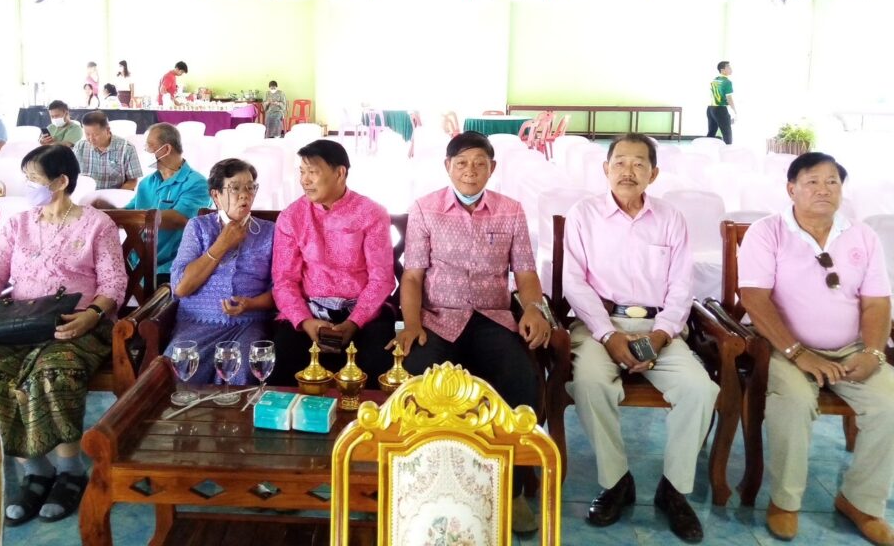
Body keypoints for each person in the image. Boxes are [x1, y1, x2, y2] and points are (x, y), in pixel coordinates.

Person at [392, 130, 551, 534]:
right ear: (447, 166)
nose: (470, 170)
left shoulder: (510, 211)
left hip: (492, 317)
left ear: (492, 168)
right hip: (437, 317)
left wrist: (534, 310)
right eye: (461, 163)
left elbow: (526, 274)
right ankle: (424, 479)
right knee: (417, 374)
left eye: (480, 163)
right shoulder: (425, 209)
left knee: (520, 378)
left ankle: (513, 489)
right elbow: (412, 277)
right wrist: (412, 325)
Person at [563, 133, 717, 544]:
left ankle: (674, 490)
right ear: (605, 168)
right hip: (599, 325)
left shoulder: (671, 218)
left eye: (638, 164)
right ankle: (617, 482)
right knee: (589, 382)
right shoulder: (583, 215)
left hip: (658, 329)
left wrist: (662, 335)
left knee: (699, 389)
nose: (628, 171)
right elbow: (574, 283)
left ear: (654, 172)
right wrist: (608, 335)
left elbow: (681, 286)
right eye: (620, 162)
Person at [0, 144, 127, 527]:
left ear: (61, 181)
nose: (27, 185)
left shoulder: (96, 224)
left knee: (52, 373)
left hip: (75, 324)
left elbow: (113, 283)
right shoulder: (18, 224)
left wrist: (92, 316)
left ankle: (70, 470)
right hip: (21, 323)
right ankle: (35, 470)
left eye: (33, 178)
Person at [739, 152, 894, 544]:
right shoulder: (767, 232)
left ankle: (862, 501)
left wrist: (873, 353)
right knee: (793, 401)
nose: (823, 190)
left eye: (832, 182)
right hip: (784, 349)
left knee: (890, 402)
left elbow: (877, 303)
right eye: (812, 182)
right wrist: (798, 353)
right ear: (791, 189)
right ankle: (785, 501)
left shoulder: (862, 236)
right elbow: (754, 298)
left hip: (850, 348)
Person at [269, 139, 394, 386]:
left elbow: (381, 279)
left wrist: (354, 322)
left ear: (340, 173)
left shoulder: (371, 213)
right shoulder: (292, 216)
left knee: (374, 367)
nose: (305, 180)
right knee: (283, 363)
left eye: (313, 172)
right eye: (302, 172)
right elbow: (284, 281)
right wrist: (306, 322)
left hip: (362, 314)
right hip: (309, 314)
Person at [169, 158, 275, 385]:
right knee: (178, 367)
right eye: (235, 188)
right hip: (197, 323)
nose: (245, 195)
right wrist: (221, 245)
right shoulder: (198, 227)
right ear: (216, 196)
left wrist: (250, 304)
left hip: (248, 324)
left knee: (246, 367)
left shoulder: (270, 232)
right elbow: (180, 287)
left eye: (250, 188)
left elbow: (280, 289)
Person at [98, 124, 208, 285]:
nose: (145, 151)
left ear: (166, 149)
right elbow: (129, 214)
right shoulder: (147, 183)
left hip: (172, 268)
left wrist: (130, 217)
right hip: (136, 262)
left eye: (149, 146)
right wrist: (108, 211)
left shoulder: (197, 183)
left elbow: (179, 219)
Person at [73, 112, 142, 191]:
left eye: (95, 134)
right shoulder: (80, 147)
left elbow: (132, 181)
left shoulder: (127, 148)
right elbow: (71, 174)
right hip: (86, 193)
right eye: (87, 134)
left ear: (107, 130)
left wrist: (114, 195)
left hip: (114, 194)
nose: (91, 139)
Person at [707, 60, 736, 144]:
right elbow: (729, 98)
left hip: (710, 109)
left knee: (711, 132)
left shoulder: (714, 80)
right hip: (720, 109)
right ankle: (729, 150)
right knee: (727, 133)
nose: (731, 69)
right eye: (728, 67)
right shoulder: (727, 82)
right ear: (722, 70)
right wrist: (734, 111)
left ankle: (706, 148)